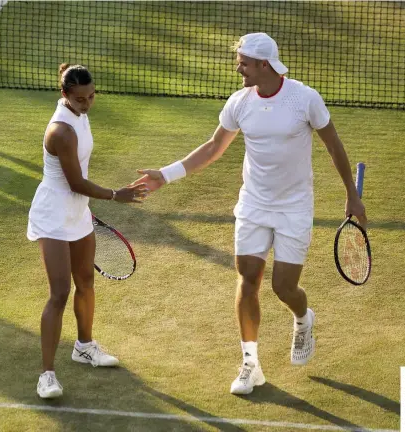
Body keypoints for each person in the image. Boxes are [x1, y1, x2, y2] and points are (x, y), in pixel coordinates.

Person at [133, 33, 366, 395]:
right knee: (248, 280)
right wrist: (165, 174)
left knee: (283, 287)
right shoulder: (239, 102)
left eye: (243, 62)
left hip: (294, 208)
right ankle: (250, 365)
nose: (237, 67)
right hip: (254, 205)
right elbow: (213, 148)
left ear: (263, 64)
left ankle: (304, 320)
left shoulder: (304, 99)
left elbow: (333, 145)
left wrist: (352, 195)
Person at [27, 63, 149, 399]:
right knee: (60, 293)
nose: (87, 104)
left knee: (86, 281)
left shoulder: (79, 112)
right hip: (53, 214)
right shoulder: (60, 131)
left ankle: (84, 346)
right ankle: (46, 376)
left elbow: (78, 187)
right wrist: (115, 195)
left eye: (92, 96)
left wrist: (86, 206)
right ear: (64, 95)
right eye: (81, 99)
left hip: (78, 212)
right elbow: (76, 181)